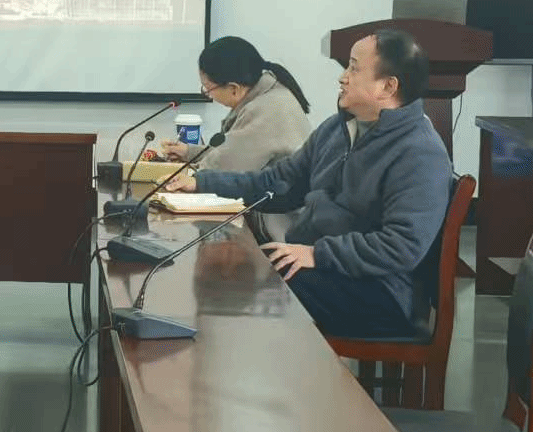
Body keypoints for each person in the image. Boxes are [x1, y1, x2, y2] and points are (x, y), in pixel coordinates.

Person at [168, 28, 452, 338]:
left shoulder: (419, 151)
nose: (342, 78)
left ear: (388, 86)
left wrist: (317, 254)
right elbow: (278, 183)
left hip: (380, 291)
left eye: (354, 68)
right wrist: (201, 183)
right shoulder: (337, 129)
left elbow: (401, 246)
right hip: (322, 267)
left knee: (253, 291)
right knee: (239, 279)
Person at [159, 36, 313, 173]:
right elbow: (231, 152)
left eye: (207, 89)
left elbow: (223, 168)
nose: (207, 94)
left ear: (234, 89)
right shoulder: (271, 94)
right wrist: (188, 152)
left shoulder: (264, 110)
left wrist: (183, 173)